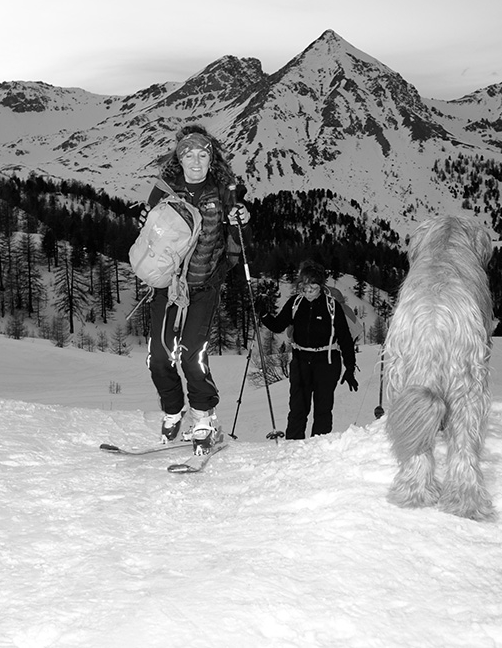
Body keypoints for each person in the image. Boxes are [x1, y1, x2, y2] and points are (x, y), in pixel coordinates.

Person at [140, 125, 249, 454]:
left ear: (210, 156)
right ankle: (174, 410)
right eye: (189, 155)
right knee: (159, 357)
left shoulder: (223, 189)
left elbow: (238, 222)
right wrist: (146, 218)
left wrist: (241, 217)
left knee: (191, 353)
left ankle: (204, 417)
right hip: (169, 285)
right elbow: (151, 231)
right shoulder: (164, 189)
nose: (196, 161)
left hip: (205, 284)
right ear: (180, 157)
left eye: (202, 155)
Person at [261, 260, 358, 440]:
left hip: (327, 363)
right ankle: (292, 447)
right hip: (300, 362)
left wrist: (350, 367)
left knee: (322, 409)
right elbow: (277, 325)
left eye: (312, 289)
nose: (308, 293)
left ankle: (317, 450)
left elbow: (345, 339)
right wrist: (264, 314)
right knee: (298, 408)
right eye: (304, 288)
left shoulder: (332, 306)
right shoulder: (295, 303)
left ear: (320, 287)